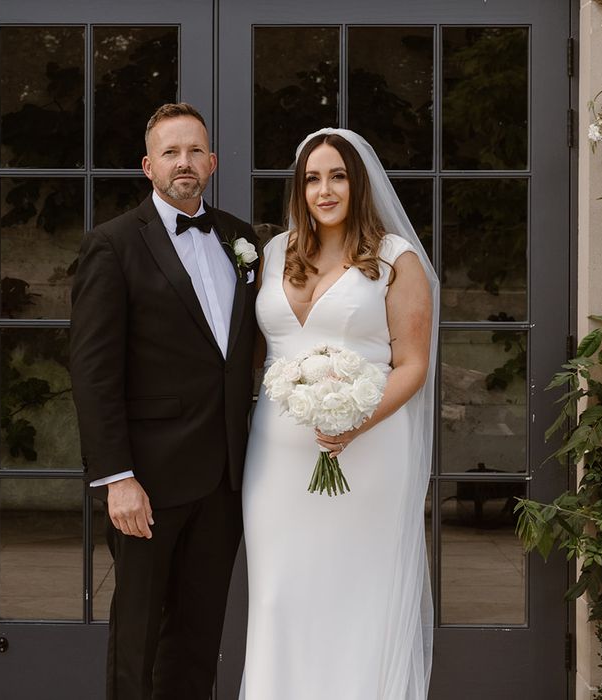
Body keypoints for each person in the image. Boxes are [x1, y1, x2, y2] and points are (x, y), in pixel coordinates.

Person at [240, 128, 438, 699]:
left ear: (358, 183)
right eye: (312, 179)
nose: (324, 190)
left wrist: (357, 421)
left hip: (369, 451)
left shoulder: (396, 260)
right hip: (275, 457)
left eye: (337, 176)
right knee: (278, 594)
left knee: (358, 594)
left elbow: (412, 364)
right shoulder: (275, 252)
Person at [70, 102, 258, 700]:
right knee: (138, 635)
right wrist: (117, 478)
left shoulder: (240, 238)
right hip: (146, 481)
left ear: (212, 161)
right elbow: (93, 371)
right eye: (171, 153)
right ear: (147, 167)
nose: (184, 162)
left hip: (225, 478)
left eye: (194, 151)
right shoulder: (112, 245)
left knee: (199, 636)